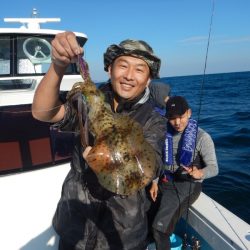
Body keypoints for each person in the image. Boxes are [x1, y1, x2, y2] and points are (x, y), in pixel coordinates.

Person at [32, 31, 167, 250]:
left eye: (140, 69)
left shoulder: (154, 120)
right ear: (109, 69)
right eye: (123, 65)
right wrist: (58, 65)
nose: (129, 75)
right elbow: (43, 112)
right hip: (76, 225)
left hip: (123, 235)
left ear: (149, 78)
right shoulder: (88, 102)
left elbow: (151, 168)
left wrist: (102, 161)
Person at [149, 96, 219, 250]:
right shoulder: (163, 133)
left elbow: (214, 168)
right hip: (165, 181)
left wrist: (200, 173)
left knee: (160, 229)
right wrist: (154, 182)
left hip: (187, 185)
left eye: (180, 117)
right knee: (142, 214)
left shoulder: (202, 137)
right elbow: (158, 159)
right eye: (172, 118)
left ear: (189, 113)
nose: (177, 122)